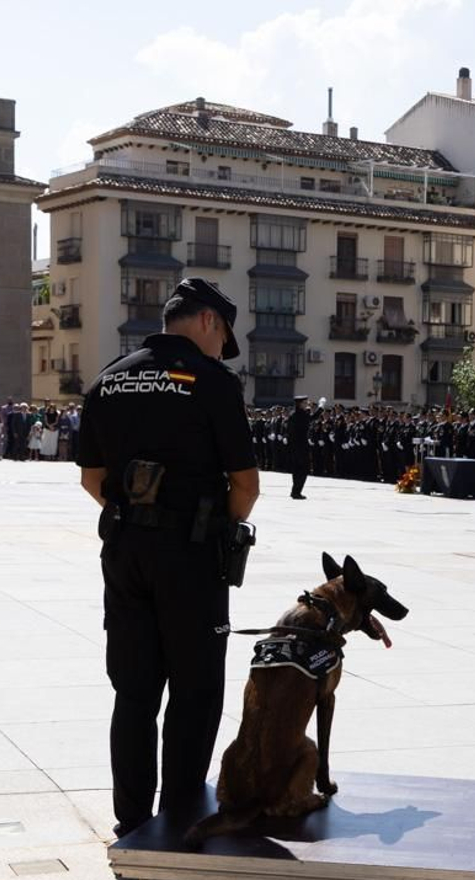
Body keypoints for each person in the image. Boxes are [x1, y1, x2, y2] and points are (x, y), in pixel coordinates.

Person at [77, 277, 259, 836]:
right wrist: (209, 528)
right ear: (208, 321)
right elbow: (246, 486)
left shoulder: (109, 379)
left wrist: (137, 514)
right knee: (195, 690)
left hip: (126, 550)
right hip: (190, 554)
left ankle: (131, 818)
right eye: (222, 335)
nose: (219, 347)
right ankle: (179, 813)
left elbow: (91, 479)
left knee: (133, 691)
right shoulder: (211, 382)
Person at [287, 395, 312, 499]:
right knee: (303, 470)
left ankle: (294, 491)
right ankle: (297, 492)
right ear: (300, 404)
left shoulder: (293, 414)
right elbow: (311, 419)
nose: (307, 404)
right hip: (302, 446)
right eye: (305, 403)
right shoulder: (302, 414)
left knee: (296, 470)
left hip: (294, 447)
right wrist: (320, 408)